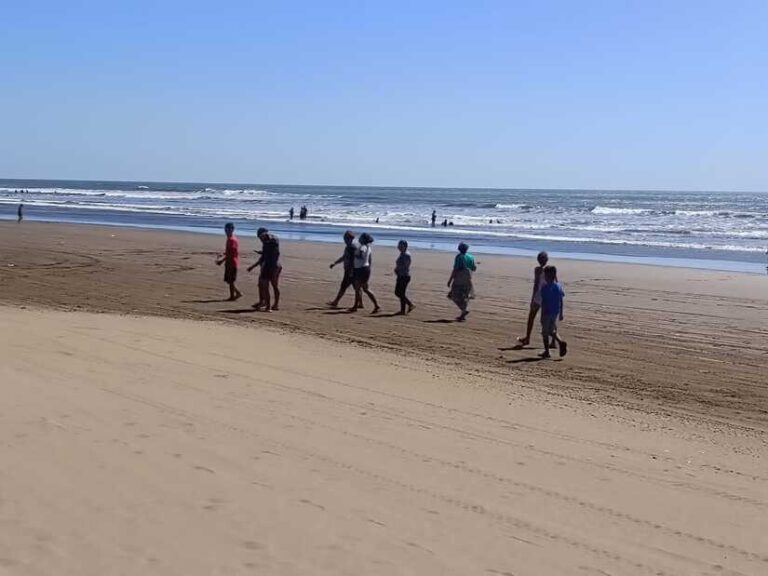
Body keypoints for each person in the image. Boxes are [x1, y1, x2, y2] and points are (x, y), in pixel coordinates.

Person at [517, 251, 554, 346]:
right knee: (549, 319)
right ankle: (553, 341)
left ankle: (527, 338)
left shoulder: (538, 270)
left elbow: (536, 284)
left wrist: (532, 298)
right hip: (549, 296)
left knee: (531, 317)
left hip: (539, 296)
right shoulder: (551, 270)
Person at [248, 227, 281, 311]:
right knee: (272, 285)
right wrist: (263, 252)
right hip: (275, 265)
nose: (260, 239)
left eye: (261, 236)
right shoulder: (270, 241)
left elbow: (264, 257)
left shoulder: (270, 241)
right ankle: (271, 304)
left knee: (265, 285)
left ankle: (268, 306)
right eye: (259, 237)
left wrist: (253, 266)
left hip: (270, 266)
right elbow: (271, 252)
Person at [539, 265, 567, 359]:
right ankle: (560, 342)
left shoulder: (545, 288)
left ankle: (547, 351)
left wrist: (542, 314)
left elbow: (544, 302)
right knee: (552, 330)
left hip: (547, 312)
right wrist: (561, 313)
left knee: (545, 332)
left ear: (547, 276)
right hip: (555, 312)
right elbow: (561, 300)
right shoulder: (558, 286)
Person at [351, 232, 380, 313]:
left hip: (360, 269)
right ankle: (376, 305)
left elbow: (360, 256)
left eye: (360, 237)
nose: (359, 239)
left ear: (363, 239)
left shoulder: (362, 247)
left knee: (357, 289)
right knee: (365, 289)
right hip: (366, 268)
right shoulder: (369, 248)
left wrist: (353, 254)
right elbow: (370, 259)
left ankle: (355, 306)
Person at [328, 231, 358, 307]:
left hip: (350, 271)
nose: (344, 240)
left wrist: (351, 271)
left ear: (350, 239)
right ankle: (360, 303)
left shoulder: (352, 248)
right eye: (344, 238)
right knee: (356, 287)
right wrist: (335, 263)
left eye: (346, 239)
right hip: (350, 270)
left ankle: (336, 302)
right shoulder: (348, 247)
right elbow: (344, 257)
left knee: (344, 286)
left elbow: (353, 260)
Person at [447, 242, 476, 321]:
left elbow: (455, 270)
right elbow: (474, 268)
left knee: (452, 295)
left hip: (459, 280)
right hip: (468, 280)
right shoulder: (471, 257)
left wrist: (450, 280)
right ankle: (463, 314)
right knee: (465, 296)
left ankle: (464, 310)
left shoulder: (459, 257)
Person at [215, 223, 243, 301]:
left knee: (230, 280)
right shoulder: (230, 238)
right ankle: (237, 293)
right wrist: (223, 254)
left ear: (232, 230)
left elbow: (231, 253)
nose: (226, 231)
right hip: (229, 261)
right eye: (226, 229)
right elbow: (230, 251)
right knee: (228, 280)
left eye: (228, 229)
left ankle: (232, 296)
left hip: (232, 262)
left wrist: (222, 260)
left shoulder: (231, 240)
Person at [394, 240, 414, 315]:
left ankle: (409, 305)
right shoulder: (402, 254)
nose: (399, 247)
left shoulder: (406, 255)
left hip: (404, 276)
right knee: (399, 293)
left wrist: (398, 269)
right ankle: (404, 308)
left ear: (405, 246)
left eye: (401, 246)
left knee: (400, 293)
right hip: (400, 275)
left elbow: (406, 265)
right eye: (399, 245)